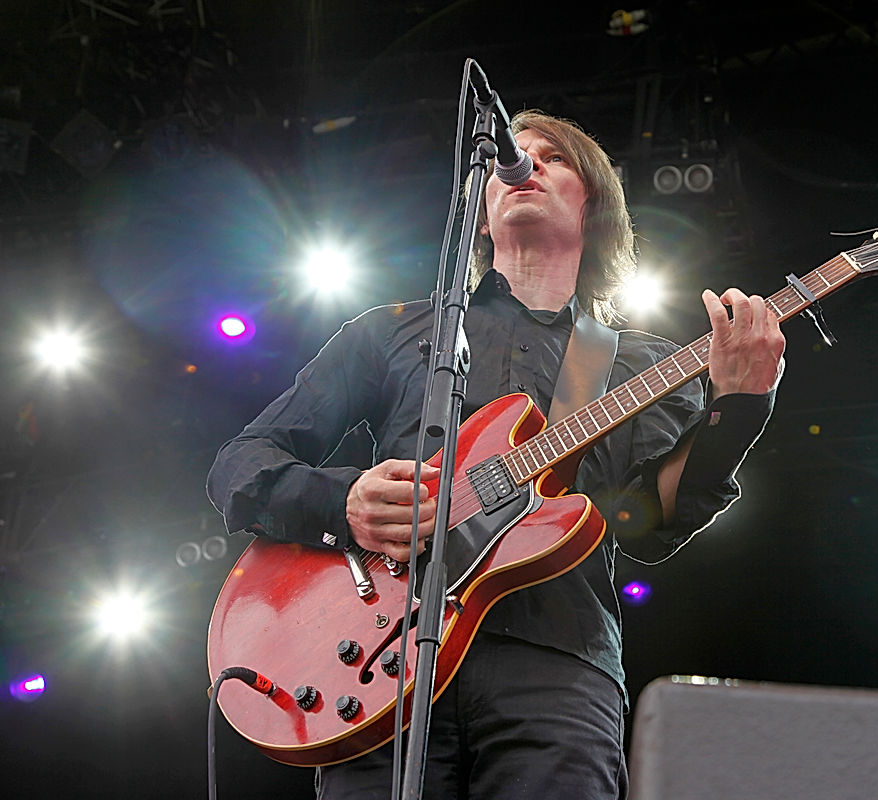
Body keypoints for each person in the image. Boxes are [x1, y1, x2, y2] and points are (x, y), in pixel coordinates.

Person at [207, 110, 786, 799]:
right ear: (479, 215)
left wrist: (741, 403)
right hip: (381, 663)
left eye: (554, 158)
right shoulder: (391, 333)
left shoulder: (638, 364)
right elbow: (240, 466)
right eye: (514, 156)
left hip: (556, 667)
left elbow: (647, 525)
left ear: (593, 203)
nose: (526, 164)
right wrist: (344, 502)